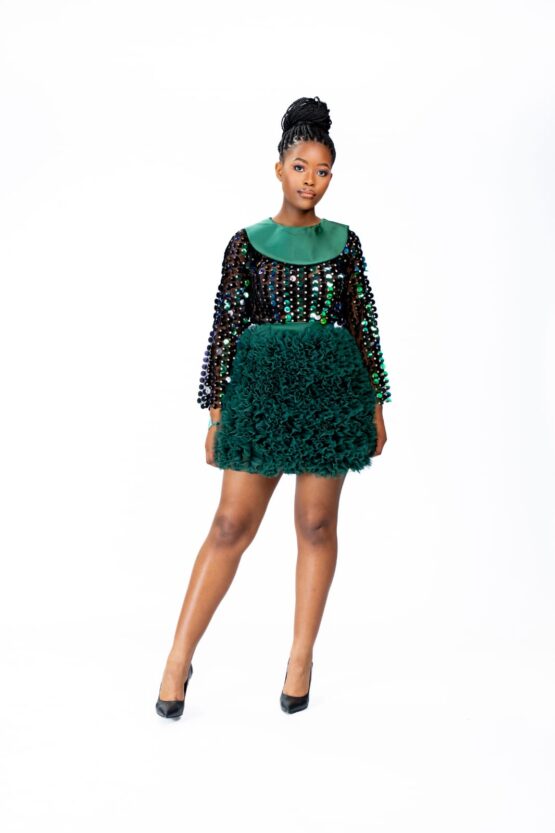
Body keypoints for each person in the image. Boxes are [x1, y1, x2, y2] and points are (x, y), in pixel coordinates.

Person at [155, 95, 392, 719]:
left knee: (316, 526)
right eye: (301, 167)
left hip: (331, 392)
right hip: (259, 393)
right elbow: (224, 330)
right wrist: (216, 414)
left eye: (323, 170)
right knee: (230, 526)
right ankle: (178, 658)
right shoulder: (246, 244)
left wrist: (376, 403)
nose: (311, 180)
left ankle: (300, 658)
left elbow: (364, 324)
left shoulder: (346, 243)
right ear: (279, 167)